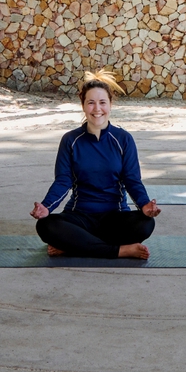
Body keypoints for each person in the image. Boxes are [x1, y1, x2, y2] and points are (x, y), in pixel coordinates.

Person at [32, 70, 160, 260]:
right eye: (91, 102)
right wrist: (46, 207)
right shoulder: (70, 140)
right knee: (46, 226)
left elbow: (132, 180)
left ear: (110, 104)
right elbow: (63, 180)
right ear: (83, 105)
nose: (97, 108)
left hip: (115, 217)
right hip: (79, 216)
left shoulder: (124, 139)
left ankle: (75, 246)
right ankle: (120, 250)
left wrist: (144, 204)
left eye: (102, 102)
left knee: (146, 224)